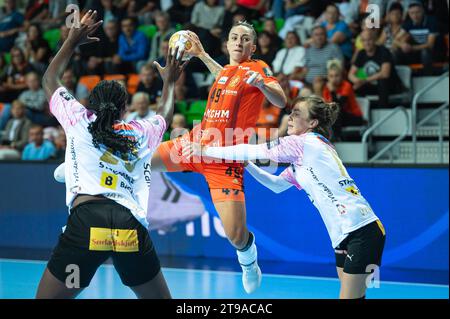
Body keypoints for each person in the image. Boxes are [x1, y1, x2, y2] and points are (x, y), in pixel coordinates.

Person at [36, 10, 187, 299]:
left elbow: (50, 79)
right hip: (127, 228)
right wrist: (169, 82)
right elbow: (165, 115)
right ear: (123, 109)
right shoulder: (139, 132)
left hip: (87, 225)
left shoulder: (78, 119)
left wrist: (71, 40)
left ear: (90, 105)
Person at [193, 95, 386, 299]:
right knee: (355, 296)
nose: (290, 117)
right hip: (342, 235)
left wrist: (207, 150)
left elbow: (255, 149)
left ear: (312, 123)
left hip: (362, 230)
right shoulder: (305, 156)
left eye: (296, 113)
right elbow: (275, 185)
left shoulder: (304, 143)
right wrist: (248, 165)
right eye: (291, 112)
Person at [152, 21, 287, 294]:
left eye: (245, 39)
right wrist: (201, 54)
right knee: (139, 159)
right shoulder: (228, 72)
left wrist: (263, 84)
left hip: (225, 160)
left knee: (237, 237)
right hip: (195, 145)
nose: (239, 42)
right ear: (227, 43)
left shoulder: (258, 69)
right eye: (234, 37)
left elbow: (281, 101)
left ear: (253, 46)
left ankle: (249, 263)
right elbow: (223, 75)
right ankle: (78, 171)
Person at [348, 30, 404, 107]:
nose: (367, 43)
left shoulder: (383, 51)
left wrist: (364, 81)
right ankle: (359, 113)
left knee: (382, 82)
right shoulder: (361, 53)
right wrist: (357, 81)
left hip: (391, 86)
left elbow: (385, 74)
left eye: (369, 40)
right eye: (364, 40)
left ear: (374, 40)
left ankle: (382, 111)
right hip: (372, 86)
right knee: (349, 85)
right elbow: (351, 74)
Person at [320, 59, 364, 141]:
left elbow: (339, 105)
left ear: (341, 76)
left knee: (336, 113)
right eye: (331, 76)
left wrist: (332, 92)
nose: (334, 79)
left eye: (336, 75)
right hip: (339, 118)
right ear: (328, 77)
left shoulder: (346, 85)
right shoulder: (326, 88)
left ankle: (336, 139)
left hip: (354, 117)